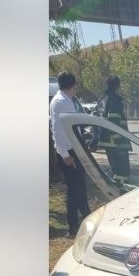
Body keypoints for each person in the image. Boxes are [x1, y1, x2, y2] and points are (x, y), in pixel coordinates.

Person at [49, 71, 90, 238]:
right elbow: (58, 131)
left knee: (79, 186)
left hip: (71, 149)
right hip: (68, 151)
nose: (76, 91)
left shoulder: (65, 100)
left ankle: (86, 216)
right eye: (75, 87)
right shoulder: (60, 102)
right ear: (72, 86)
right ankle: (73, 226)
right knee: (74, 190)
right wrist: (65, 155)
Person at [94, 75, 131, 184]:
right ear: (118, 86)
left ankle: (118, 187)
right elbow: (114, 123)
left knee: (115, 170)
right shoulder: (114, 100)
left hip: (107, 142)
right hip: (117, 143)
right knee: (123, 171)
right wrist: (120, 141)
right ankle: (122, 190)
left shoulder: (102, 99)